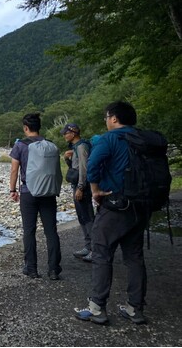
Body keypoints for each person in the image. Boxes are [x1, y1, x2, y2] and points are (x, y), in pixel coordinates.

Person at [74, 101, 149, 325]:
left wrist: (96, 192)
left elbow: (92, 167)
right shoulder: (143, 139)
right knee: (134, 256)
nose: (106, 121)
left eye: (106, 117)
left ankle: (96, 307)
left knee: (101, 251)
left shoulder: (110, 139)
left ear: (114, 118)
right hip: (142, 206)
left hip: (116, 205)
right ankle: (135, 308)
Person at [9, 113, 62, 280]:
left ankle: (31, 268)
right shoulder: (50, 145)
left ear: (26, 128)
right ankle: (53, 269)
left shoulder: (20, 146)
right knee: (51, 231)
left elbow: (14, 170)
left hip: (28, 193)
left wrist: (12, 190)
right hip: (48, 193)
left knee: (29, 231)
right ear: (39, 127)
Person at [61, 123, 94, 262]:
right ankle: (88, 246)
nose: (64, 136)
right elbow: (74, 167)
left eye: (66, 133)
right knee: (82, 216)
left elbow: (83, 169)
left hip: (82, 188)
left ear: (73, 133)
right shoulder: (75, 147)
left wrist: (80, 187)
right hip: (77, 185)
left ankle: (94, 249)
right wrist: (67, 159)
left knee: (87, 217)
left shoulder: (81, 147)